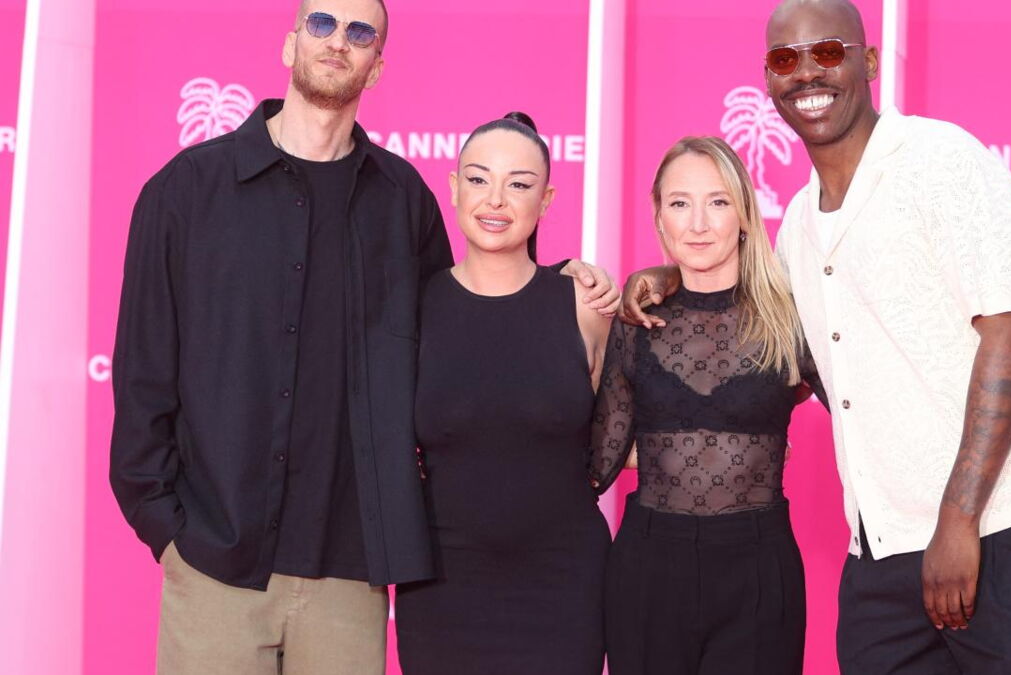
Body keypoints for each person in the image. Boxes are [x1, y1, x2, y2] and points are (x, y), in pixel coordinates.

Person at [108, 1, 617, 671]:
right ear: (290, 44)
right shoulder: (186, 192)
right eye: (321, 23)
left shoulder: (403, 200)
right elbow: (143, 373)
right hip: (215, 563)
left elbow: (467, 327)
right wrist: (167, 530)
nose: (338, 41)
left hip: (351, 577)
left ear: (376, 66)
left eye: (360, 32)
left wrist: (562, 286)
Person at [621, 1, 1011, 672]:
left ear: (869, 61)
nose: (807, 74)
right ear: (768, 79)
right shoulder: (797, 229)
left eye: (828, 52)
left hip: (1008, 528)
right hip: (882, 550)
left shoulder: (942, 161)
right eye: (785, 60)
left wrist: (958, 521)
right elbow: (775, 345)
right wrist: (672, 276)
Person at [592, 136, 826, 675]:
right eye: (680, 203)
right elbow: (598, 463)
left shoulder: (791, 318)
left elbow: (866, 416)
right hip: (648, 568)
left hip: (758, 569)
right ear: (659, 217)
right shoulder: (637, 320)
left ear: (744, 214)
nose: (698, 223)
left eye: (717, 202)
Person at [392, 112, 611, 675]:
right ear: (453, 187)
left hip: (565, 583)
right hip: (441, 585)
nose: (495, 200)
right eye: (478, 179)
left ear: (546, 200)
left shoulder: (585, 306)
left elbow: (627, 433)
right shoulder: (412, 309)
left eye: (519, 184)